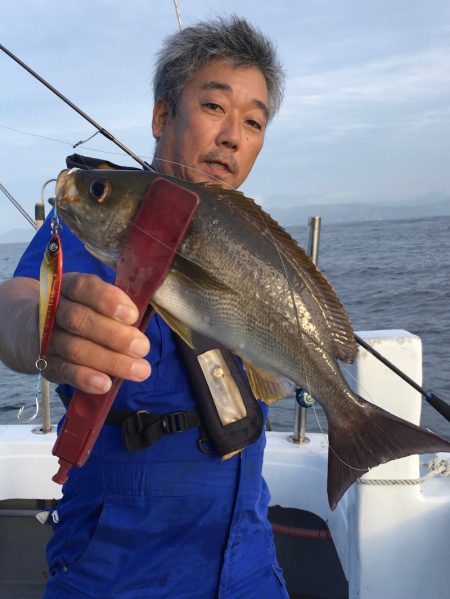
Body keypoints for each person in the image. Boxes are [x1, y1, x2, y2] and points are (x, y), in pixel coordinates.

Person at [0, 16, 288, 598]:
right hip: (117, 571)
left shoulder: (257, 249)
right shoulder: (101, 217)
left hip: (249, 561)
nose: (233, 135)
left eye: (253, 121)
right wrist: (36, 328)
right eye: (214, 106)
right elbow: (19, 300)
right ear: (162, 118)